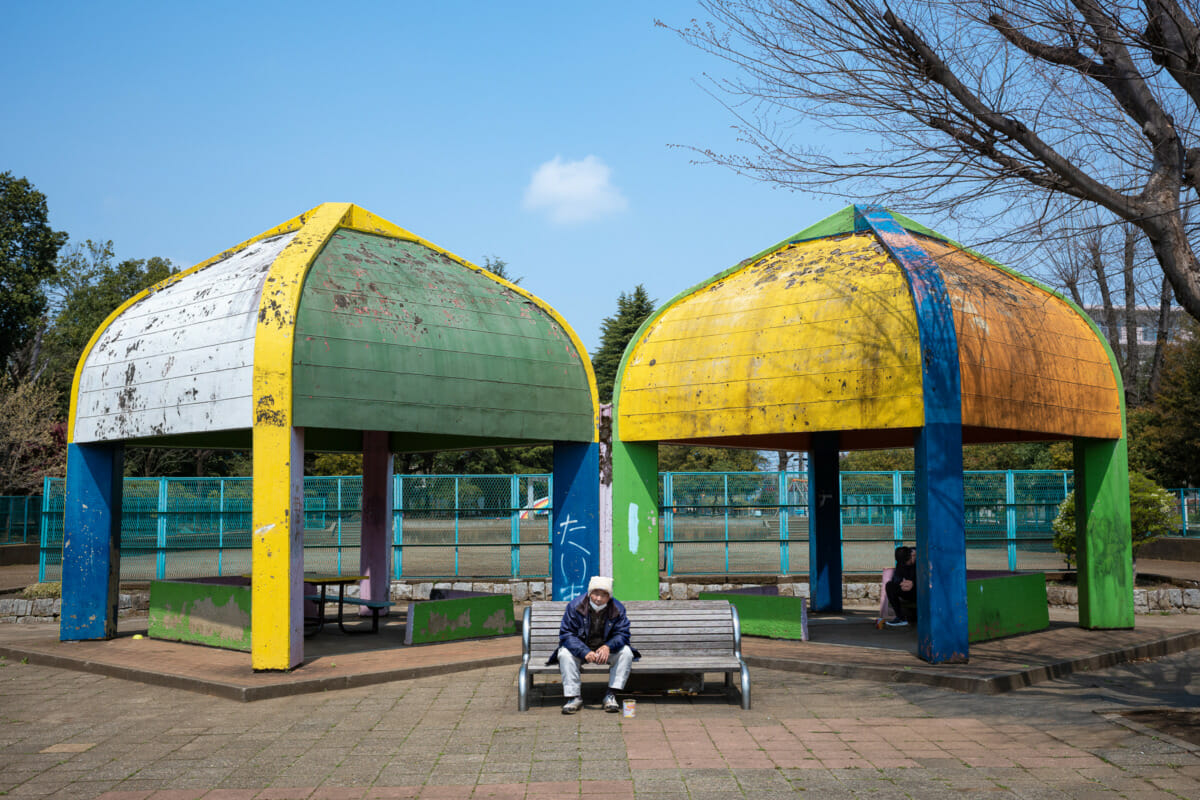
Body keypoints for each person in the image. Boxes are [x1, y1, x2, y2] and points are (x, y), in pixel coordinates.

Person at [548, 575, 639, 714]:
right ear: (590, 593)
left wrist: (608, 646)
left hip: (606, 650)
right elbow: (567, 634)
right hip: (582, 649)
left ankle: (611, 695)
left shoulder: (618, 608)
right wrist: (584, 651)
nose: (599, 598)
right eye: (596, 593)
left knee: (626, 652)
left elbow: (623, 634)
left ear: (609, 596)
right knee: (564, 654)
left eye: (604, 595)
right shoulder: (575, 606)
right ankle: (573, 697)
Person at [885, 545, 917, 627]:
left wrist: (914, 583)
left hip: (922, 590)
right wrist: (902, 584)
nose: (906, 564)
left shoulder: (922, 557)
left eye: (908, 561)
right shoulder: (902, 562)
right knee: (890, 586)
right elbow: (897, 578)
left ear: (913, 555)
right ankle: (900, 618)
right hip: (910, 591)